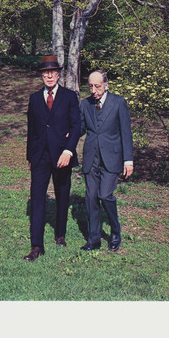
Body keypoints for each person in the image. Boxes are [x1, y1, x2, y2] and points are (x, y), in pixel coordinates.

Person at [23, 55, 81, 262]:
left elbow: (77, 127)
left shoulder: (70, 96)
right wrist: (31, 156)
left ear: (58, 74)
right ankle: (37, 245)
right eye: (45, 72)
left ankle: (60, 234)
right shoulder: (34, 98)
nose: (49, 75)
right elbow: (31, 130)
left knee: (62, 195)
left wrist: (69, 150)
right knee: (38, 198)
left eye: (52, 72)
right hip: (40, 157)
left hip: (62, 155)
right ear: (41, 76)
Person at [79, 70, 133, 251]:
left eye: (97, 86)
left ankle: (115, 232)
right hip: (91, 158)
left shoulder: (119, 103)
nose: (93, 90)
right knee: (91, 198)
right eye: (91, 86)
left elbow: (126, 133)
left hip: (111, 158)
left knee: (105, 195)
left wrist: (128, 160)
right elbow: (79, 128)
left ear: (106, 85)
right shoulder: (85, 104)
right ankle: (94, 240)